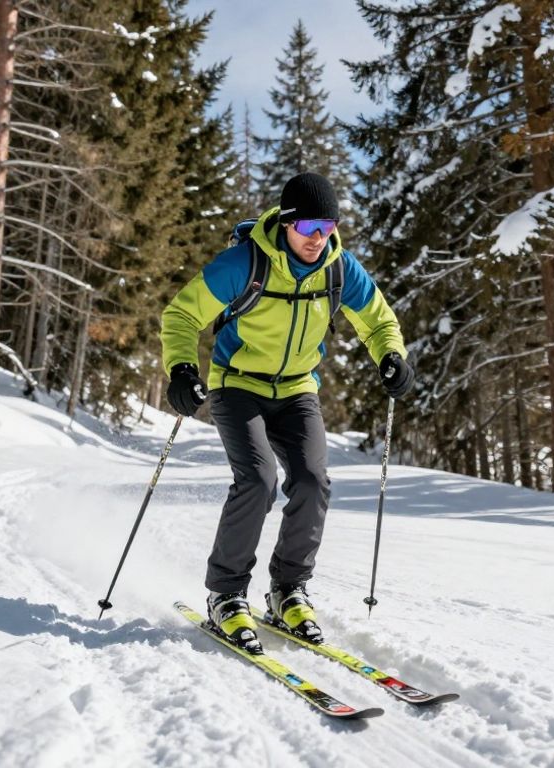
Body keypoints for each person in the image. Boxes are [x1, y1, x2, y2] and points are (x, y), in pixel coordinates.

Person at [160, 171, 414, 652]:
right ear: (287, 224)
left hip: (298, 390)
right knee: (258, 480)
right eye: (310, 228)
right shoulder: (245, 263)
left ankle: (287, 590)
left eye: (329, 227)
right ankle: (227, 595)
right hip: (238, 385)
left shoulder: (340, 268)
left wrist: (391, 356)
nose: (320, 239)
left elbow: (379, 320)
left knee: (312, 480)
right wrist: (180, 370)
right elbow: (181, 315)